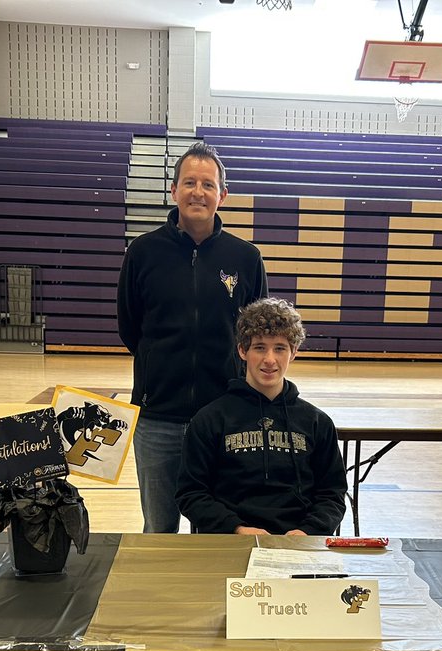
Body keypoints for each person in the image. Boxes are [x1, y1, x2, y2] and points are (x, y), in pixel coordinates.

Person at [117, 141, 268, 533]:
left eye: (207, 184)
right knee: (159, 529)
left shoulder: (246, 258)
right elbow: (130, 328)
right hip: (156, 418)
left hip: (223, 417)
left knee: (216, 530)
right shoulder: (142, 253)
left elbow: (258, 335)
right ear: (174, 190)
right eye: (189, 182)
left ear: (223, 194)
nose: (198, 192)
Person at [176, 298, 347, 535]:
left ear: (293, 352)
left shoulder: (318, 423)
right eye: (259, 347)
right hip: (231, 544)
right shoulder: (210, 420)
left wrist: (309, 531)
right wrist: (236, 529)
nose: (269, 359)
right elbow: (191, 493)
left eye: (280, 348)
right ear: (242, 351)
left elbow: (332, 494)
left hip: (299, 545)